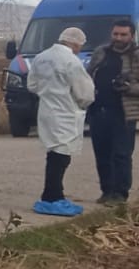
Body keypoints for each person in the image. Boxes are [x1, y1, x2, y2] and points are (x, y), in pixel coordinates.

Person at [27, 26, 95, 216]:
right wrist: (83, 104)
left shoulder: (41, 57)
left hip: (47, 110)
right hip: (66, 112)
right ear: (76, 43)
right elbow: (85, 91)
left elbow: (32, 85)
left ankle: (54, 194)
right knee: (61, 156)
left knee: (54, 152)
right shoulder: (71, 61)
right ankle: (52, 197)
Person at [88, 17, 137, 204]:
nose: (118, 37)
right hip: (98, 111)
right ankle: (106, 191)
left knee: (121, 155)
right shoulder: (101, 52)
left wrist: (128, 87)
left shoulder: (136, 55)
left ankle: (120, 194)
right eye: (115, 33)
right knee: (102, 154)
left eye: (123, 34)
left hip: (124, 114)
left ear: (131, 36)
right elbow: (88, 75)